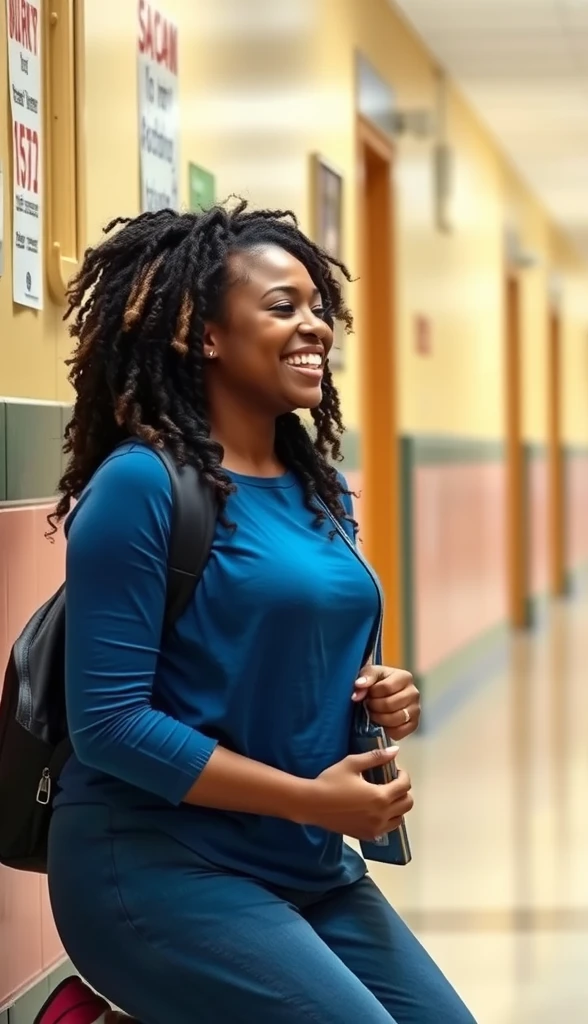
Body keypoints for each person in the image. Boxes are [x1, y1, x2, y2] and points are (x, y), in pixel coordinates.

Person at [41, 202, 476, 1024]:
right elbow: (108, 723)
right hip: (155, 863)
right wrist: (313, 801)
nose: (316, 327)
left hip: (301, 861)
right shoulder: (142, 487)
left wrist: (382, 695)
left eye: (318, 307)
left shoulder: (320, 489)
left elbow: (298, 655)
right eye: (283, 307)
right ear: (204, 334)